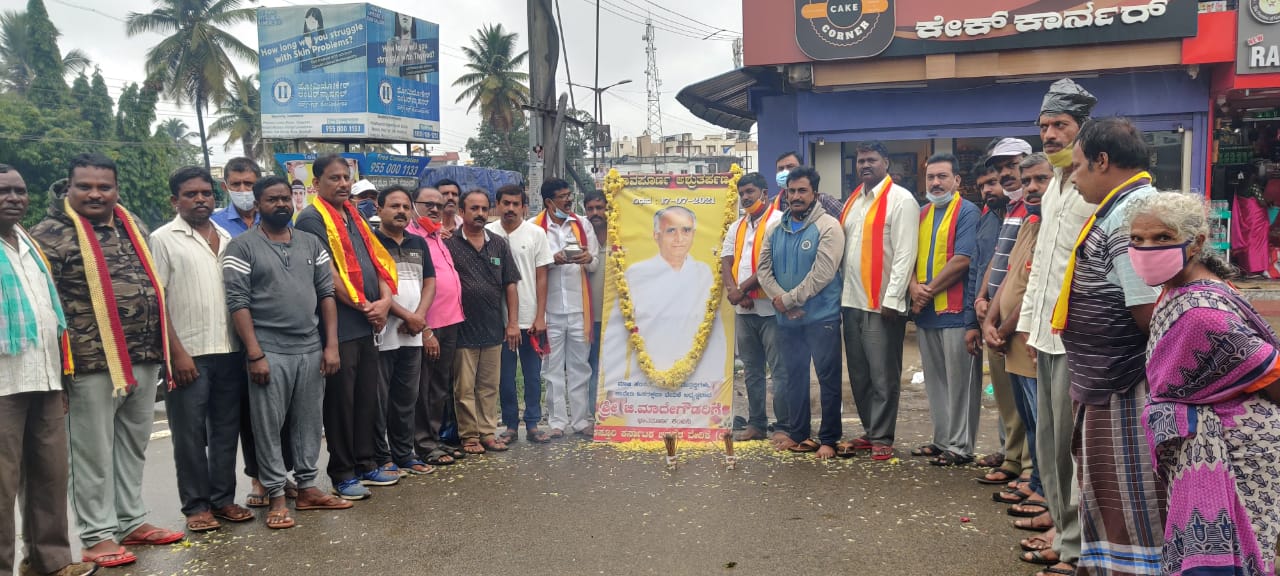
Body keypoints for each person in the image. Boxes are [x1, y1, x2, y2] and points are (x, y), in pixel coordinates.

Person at [31, 153, 185, 568]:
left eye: (105, 187)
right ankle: (97, 534)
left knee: (131, 447)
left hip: (141, 355)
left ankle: (130, 519)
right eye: (86, 186)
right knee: (91, 454)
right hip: (88, 363)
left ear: (116, 189)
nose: (96, 194)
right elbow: (43, 305)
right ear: (69, 187)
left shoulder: (129, 227)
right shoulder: (49, 235)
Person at [1128, 191, 1280, 576]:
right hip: (1209, 439)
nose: (1146, 248)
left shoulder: (1200, 312)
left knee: (1230, 554)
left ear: (1195, 242)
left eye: (1162, 238)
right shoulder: (1177, 290)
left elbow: (1271, 371)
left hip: (1235, 447)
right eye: (1138, 239)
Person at [1060, 117, 1165, 575]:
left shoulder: (1131, 215)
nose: (1074, 178)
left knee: (1128, 494)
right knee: (1107, 492)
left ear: (1103, 161)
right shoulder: (1123, 206)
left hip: (1125, 384)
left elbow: (1149, 313)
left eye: (1079, 166)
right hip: (1108, 380)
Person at [224, 175, 352, 530]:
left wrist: (331, 345)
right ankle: (277, 495)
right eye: (272, 199)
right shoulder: (242, 246)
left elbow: (326, 294)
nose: (280, 204)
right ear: (257, 202)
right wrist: (254, 353)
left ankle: (309, 489)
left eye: (285, 198)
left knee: (309, 423)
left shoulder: (311, 243)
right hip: (269, 350)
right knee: (268, 426)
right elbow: (238, 302)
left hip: (311, 348)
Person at [1014, 78, 1098, 574]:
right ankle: (1065, 533)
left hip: (1077, 339)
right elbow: (1043, 265)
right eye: (1043, 125)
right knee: (1048, 445)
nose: (1049, 135)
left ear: (1081, 130)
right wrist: (1027, 324)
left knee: (1073, 449)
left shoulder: (1091, 188)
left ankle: (1076, 548)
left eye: (1059, 125)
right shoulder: (1053, 188)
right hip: (1043, 336)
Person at [0, 164, 97, 576]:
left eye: (20, 191)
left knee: (50, 477)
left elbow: (48, 315)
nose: (14, 198)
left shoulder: (29, 243)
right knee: (2, 488)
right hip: (4, 385)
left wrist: (60, 381)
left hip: (44, 377)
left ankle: (50, 562)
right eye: (3, 191)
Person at [148, 167, 254, 534]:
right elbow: (158, 300)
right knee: (189, 434)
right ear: (174, 200)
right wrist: (176, 354)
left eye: (206, 193)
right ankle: (195, 506)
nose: (200, 199)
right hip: (188, 354)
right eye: (190, 194)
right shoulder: (163, 239)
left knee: (225, 430)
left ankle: (223, 499)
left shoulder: (227, 237)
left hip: (229, 349)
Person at [294, 155, 400, 500]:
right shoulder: (312, 218)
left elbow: (378, 261)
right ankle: (342, 472)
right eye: (334, 178)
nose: (342, 184)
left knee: (367, 397)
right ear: (317, 184)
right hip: (341, 324)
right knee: (342, 402)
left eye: (346, 178)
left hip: (368, 320)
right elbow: (327, 274)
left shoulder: (354, 214)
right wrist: (364, 305)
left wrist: (384, 302)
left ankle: (366, 463)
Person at [983, 154, 1056, 553]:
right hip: (1008, 335)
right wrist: (989, 319)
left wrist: (1003, 325)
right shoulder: (1031, 222)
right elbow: (1011, 275)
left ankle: (1045, 492)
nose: (1031, 187)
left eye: (1039, 180)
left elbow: (1033, 291)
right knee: (1029, 418)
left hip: (1031, 338)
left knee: (1043, 423)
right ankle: (1037, 485)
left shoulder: (1056, 225)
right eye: (1027, 181)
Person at [833, 141, 919, 460]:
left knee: (883, 373)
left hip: (881, 303)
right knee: (859, 373)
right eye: (860, 161)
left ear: (886, 162)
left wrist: (894, 298)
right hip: (851, 300)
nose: (864, 165)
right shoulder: (854, 201)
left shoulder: (901, 200)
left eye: (871, 159)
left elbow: (905, 253)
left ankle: (883, 436)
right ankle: (871, 431)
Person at [756, 166, 845, 459]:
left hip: (822, 318)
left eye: (802, 191)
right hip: (787, 319)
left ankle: (829, 439)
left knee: (827, 379)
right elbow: (764, 270)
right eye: (791, 191)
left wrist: (790, 300)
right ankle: (799, 434)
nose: (795, 196)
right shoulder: (775, 229)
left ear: (814, 194)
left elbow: (823, 273)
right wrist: (780, 300)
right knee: (794, 376)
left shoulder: (829, 226)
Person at [600, 206, 728, 389]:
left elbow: (715, 330)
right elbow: (616, 332)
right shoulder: (636, 274)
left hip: (698, 382)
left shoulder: (704, 273)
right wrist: (613, 386)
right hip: (643, 382)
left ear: (694, 233)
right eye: (671, 231)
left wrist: (716, 376)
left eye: (686, 230)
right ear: (656, 235)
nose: (679, 239)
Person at [908, 153, 982, 467]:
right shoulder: (921, 213)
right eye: (931, 178)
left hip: (956, 311)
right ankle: (942, 440)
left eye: (942, 177)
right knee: (936, 381)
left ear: (956, 181)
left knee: (961, 383)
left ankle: (961, 446)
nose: (936, 183)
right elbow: (907, 255)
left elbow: (963, 259)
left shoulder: (967, 211)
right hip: (926, 314)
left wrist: (926, 291)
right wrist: (913, 286)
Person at [973, 139, 1034, 487]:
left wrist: (1003, 321)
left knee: (1026, 400)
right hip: (994, 318)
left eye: (1012, 165)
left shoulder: (1035, 206)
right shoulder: (1010, 210)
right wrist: (982, 300)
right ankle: (1013, 459)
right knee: (1007, 399)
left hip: (1017, 322)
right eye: (999, 168)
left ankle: (1030, 469)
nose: (1006, 173)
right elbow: (1001, 261)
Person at [448, 190, 521, 454]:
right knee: (464, 388)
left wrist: (512, 323)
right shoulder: (450, 244)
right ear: (461, 212)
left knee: (489, 386)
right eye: (473, 209)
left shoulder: (499, 244)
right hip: (462, 328)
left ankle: (488, 432)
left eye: (483, 209)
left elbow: (510, 285)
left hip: (493, 327)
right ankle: (469, 436)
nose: (479, 214)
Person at [372, 186, 436, 475]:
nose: (400, 211)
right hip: (384, 333)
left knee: (406, 398)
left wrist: (419, 317)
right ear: (379, 209)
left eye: (405, 207)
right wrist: (407, 316)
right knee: (379, 398)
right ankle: (381, 456)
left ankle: (404, 453)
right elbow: (373, 287)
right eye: (394, 206)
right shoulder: (371, 242)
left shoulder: (418, 242)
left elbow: (430, 282)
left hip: (412, 334)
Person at [720, 172, 788, 443]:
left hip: (770, 309)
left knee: (778, 369)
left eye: (750, 191)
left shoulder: (778, 221)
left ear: (764, 192)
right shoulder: (736, 226)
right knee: (751, 370)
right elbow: (726, 260)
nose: (746, 197)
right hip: (744, 309)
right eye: (742, 193)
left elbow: (770, 264)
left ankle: (783, 426)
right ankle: (757, 424)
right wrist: (733, 291)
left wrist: (742, 289)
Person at [486, 184, 553, 443]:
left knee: (533, 375)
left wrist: (540, 317)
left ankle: (534, 423)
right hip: (497, 320)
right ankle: (511, 425)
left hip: (530, 319)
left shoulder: (535, 234)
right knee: (504, 377)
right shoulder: (488, 233)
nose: (511, 208)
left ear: (524, 206)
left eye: (516, 204)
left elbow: (541, 278)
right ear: (498, 205)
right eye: (506, 203)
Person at [534, 179, 599, 438]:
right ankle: (557, 422)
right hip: (548, 311)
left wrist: (587, 258)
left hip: (578, 308)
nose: (568, 201)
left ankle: (581, 420)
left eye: (569, 195)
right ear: (549, 202)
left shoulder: (581, 224)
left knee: (580, 367)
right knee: (551, 369)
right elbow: (531, 267)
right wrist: (553, 259)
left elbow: (593, 264)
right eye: (562, 197)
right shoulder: (534, 229)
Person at [408, 187, 465, 466]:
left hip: (450, 321)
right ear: (412, 205)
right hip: (427, 326)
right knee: (424, 387)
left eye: (438, 205)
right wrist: (426, 330)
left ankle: (434, 437)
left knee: (440, 386)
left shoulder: (437, 236)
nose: (434, 209)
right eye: (428, 204)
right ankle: (423, 443)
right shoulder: (410, 238)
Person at [583, 191, 608, 417]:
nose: (595, 213)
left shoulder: (621, 238)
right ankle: (595, 414)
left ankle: (618, 415)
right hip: (590, 317)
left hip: (618, 317)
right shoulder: (582, 238)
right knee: (591, 367)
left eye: (599, 208)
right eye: (590, 209)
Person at [774, 151, 842, 215]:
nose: (785, 171)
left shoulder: (824, 201)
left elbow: (847, 221)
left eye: (790, 167)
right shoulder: (773, 204)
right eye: (780, 168)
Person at [210, 157, 261, 237]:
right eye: (236, 184)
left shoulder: (274, 219)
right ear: (225, 187)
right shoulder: (214, 223)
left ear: (260, 185)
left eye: (248, 184)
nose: (242, 190)